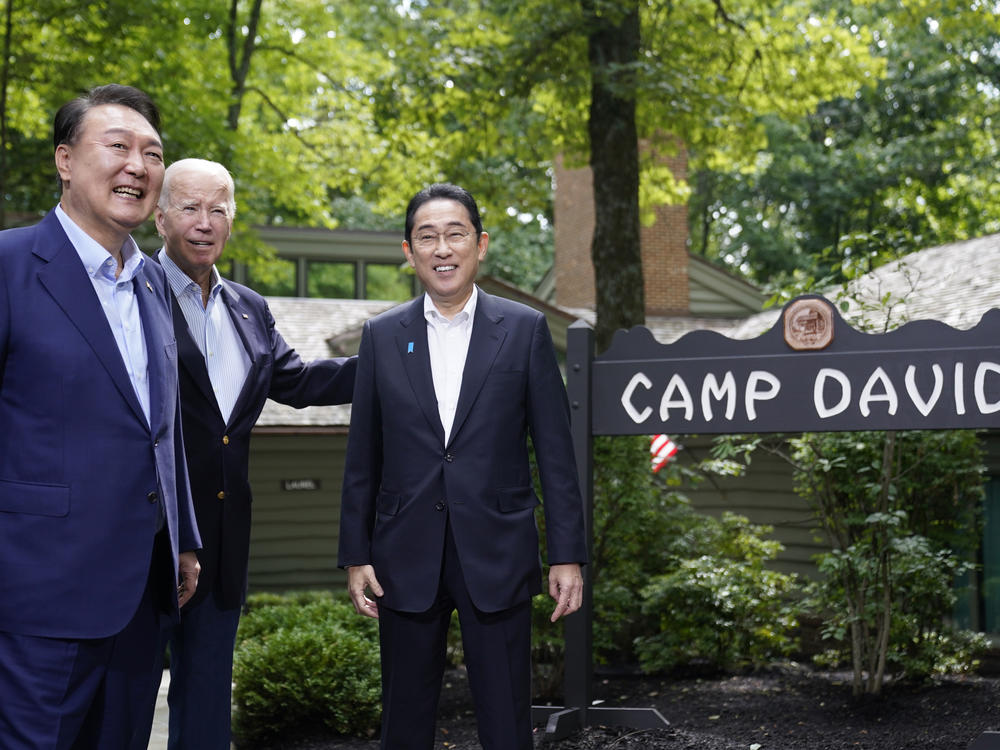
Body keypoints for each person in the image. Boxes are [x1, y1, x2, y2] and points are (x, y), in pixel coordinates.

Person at [338, 182, 588, 749]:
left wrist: (568, 553)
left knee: (506, 723)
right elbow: (362, 456)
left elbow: (555, 451)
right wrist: (356, 555)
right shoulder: (381, 336)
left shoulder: (523, 331)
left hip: (497, 552)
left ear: (481, 245)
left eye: (456, 235)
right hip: (403, 556)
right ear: (408, 251)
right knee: (403, 722)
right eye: (428, 237)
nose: (442, 249)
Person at [131, 158, 358, 750]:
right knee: (124, 701)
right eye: (189, 208)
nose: (204, 222)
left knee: (206, 704)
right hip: (147, 536)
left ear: (232, 221)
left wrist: (391, 358)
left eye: (218, 210)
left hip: (225, 537)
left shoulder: (250, 309)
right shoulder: (132, 293)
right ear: (160, 218)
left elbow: (302, 383)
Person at [0, 84, 201, 749]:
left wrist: (183, 534)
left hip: (142, 594)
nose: (138, 167)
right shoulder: (9, 267)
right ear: (64, 160)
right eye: (117, 146)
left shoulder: (150, 283)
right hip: (37, 597)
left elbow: (159, 427)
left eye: (153, 153)